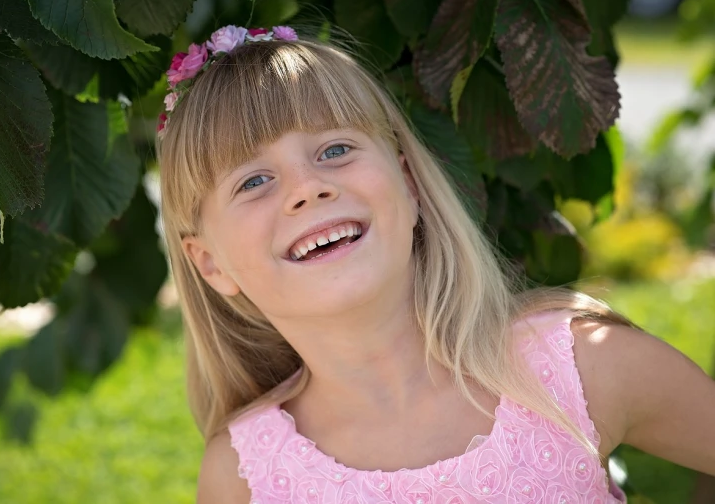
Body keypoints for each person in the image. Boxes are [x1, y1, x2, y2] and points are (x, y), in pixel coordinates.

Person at [156, 25, 715, 503]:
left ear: (408, 183)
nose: (308, 189)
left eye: (335, 150)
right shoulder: (243, 476)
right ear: (209, 264)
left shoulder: (578, 367)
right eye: (253, 181)